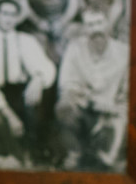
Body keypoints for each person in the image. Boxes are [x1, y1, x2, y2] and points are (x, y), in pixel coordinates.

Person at [0, 0, 57, 168]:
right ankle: (9, 156)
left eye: (12, 14)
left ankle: (29, 156)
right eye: (4, 13)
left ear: (17, 17)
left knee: (35, 114)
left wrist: (37, 79)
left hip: (21, 94)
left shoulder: (26, 40)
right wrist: (9, 115)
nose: (8, 19)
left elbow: (48, 69)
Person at [54, 9, 128, 170]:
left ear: (108, 24)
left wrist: (116, 107)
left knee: (107, 162)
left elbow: (128, 90)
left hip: (113, 111)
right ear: (84, 29)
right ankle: (74, 153)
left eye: (99, 23)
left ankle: (104, 153)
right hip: (84, 106)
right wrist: (88, 99)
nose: (96, 29)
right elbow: (67, 84)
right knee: (64, 107)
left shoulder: (124, 52)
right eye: (90, 25)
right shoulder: (74, 48)